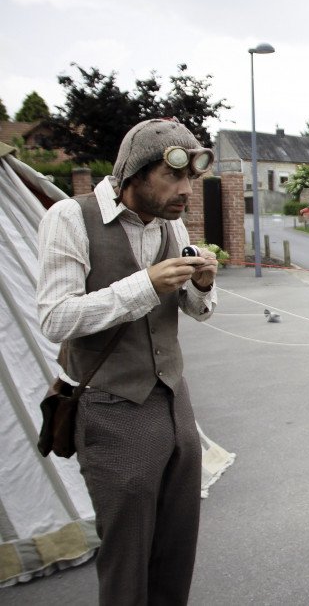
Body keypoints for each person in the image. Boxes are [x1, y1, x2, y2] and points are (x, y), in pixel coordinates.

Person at [36, 117, 219, 605]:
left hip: (175, 403)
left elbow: (197, 312)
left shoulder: (171, 221)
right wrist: (144, 285)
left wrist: (201, 286)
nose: (186, 191)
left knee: (176, 549)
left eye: (190, 180)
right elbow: (54, 318)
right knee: (127, 558)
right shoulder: (71, 218)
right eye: (173, 178)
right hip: (111, 407)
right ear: (132, 175)